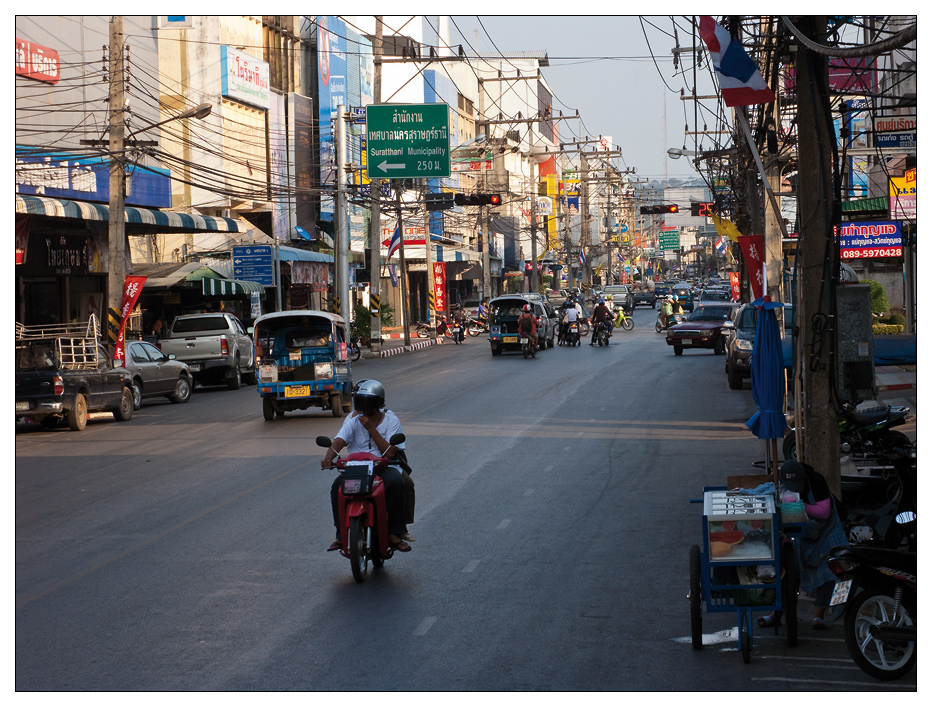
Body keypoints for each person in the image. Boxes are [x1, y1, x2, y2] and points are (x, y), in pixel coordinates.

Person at [321, 379, 413, 552]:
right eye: (360, 401)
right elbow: (339, 441)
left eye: (367, 402)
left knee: (397, 483)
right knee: (336, 488)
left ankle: (395, 532)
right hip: (357, 468)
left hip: (384, 467)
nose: (362, 407)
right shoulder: (353, 420)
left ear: (378, 403)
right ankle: (341, 535)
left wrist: (371, 428)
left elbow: (391, 453)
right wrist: (328, 457)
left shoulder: (391, 421)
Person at [759, 460, 849, 631]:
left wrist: (796, 505)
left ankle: (819, 615)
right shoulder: (781, 486)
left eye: (797, 485)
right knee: (788, 570)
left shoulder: (816, 480)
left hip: (826, 531)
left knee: (830, 568)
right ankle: (777, 613)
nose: (794, 489)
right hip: (800, 531)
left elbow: (823, 511)